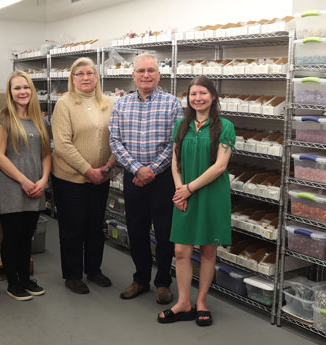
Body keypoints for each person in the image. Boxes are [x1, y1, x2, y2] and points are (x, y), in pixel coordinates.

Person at [157, 76, 234, 327]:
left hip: (211, 194)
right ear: (188, 98)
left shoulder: (225, 126)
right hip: (184, 193)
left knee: (208, 249)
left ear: (213, 96)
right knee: (181, 250)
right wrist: (180, 188)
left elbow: (220, 166)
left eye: (202, 93)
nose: (197, 98)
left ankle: (201, 302)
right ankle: (183, 303)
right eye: (193, 94)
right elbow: (175, 161)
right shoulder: (181, 125)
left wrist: (189, 188)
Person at [110, 53, 184, 304]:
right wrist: (136, 169)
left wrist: (152, 169)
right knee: (137, 230)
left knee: (164, 234)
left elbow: (176, 143)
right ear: (133, 75)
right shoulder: (121, 104)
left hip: (163, 179)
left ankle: (163, 282)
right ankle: (141, 279)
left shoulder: (173, 104)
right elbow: (115, 141)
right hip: (133, 178)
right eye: (141, 71)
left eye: (151, 70)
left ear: (159, 74)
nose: (146, 75)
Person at [52, 57, 115, 294]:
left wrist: (108, 167)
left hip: (103, 176)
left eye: (90, 73)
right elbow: (62, 144)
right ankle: (72, 274)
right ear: (72, 79)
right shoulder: (65, 104)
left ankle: (94, 270)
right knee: (72, 226)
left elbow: (117, 138)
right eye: (79, 74)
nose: (85, 78)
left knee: (95, 226)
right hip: (70, 178)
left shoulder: (109, 103)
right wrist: (88, 170)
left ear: (97, 77)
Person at [0, 71, 51, 301]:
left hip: (36, 187)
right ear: (10, 92)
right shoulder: (2, 119)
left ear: (32, 90)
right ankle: (13, 282)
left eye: (26, 87)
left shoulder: (40, 120)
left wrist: (44, 180)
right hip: (12, 188)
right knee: (12, 237)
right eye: (17, 88)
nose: (22, 92)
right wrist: (24, 181)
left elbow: (46, 154)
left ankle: (26, 278)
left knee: (28, 237)